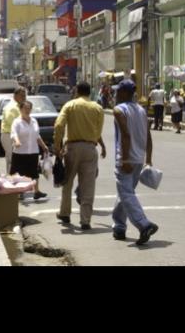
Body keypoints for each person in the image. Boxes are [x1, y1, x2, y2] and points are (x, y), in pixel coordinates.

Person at [53, 82, 107, 231]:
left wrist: (57, 146)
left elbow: (58, 125)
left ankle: (65, 213)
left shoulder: (70, 105)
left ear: (77, 91)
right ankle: (85, 220)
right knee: (88, 186)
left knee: (67, 183)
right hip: (90, 148)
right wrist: (96, 142)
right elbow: (98, 129)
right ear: (89, 92)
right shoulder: (98, 108)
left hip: (72, 148)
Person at [111, 79, 158, 245]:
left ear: (124, 93)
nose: (115, 94)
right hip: (138, 159)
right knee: (125, 192)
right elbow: (148, 137)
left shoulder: (119, 110)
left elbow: (125, 135)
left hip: (126, 159)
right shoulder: (141, 110)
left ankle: (143, 224)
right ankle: (119, 226)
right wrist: (149, 159)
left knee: (126, 193)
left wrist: (124, 159)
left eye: (117, 91)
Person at [10, 100, 49, 200]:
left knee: (34, 172)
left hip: (33, 151)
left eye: (29, 108)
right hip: (20, 152)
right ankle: (18, 192)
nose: (27, 110)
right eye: (25, 108)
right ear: (20, 109)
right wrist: (17, 141)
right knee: (19, 173)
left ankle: (36, 191)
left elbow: (37, 135)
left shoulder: (34, 121)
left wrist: (44, 146)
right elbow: (14, 134)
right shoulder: (17, 122)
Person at [0, 87, 27, 175]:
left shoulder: (19, 106)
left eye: (25, 96)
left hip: (13, 136)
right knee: (12, 160)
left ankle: (13, 180)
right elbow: (10, 121)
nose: (24, 98)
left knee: (14, 160)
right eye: (22, 96)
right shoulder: (12, 107)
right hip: (9, 135)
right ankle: (11, 181)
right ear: (15, 96)